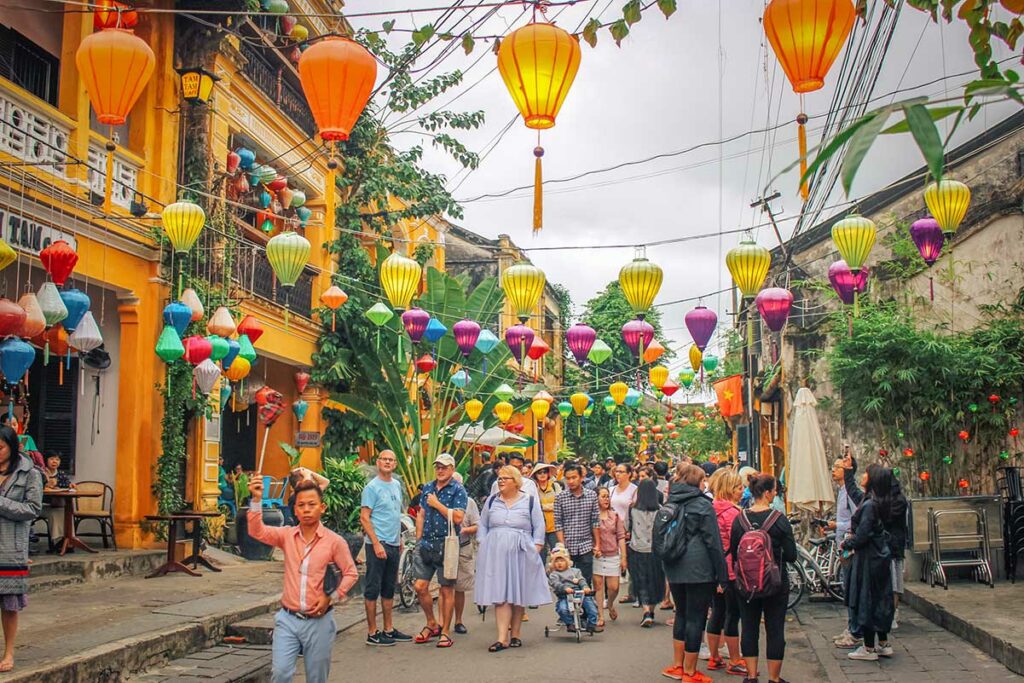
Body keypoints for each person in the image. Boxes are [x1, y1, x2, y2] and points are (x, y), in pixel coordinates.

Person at [246, 477, 358, 683]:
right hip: (287, 619)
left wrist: (330, 598)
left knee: (316, 678)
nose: (307, 509)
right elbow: (256, 531)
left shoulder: (334, 542)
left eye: (312, 504)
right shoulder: (287, 536)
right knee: (280, 673)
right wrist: (256, 499)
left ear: (322, 507)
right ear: (295, 510)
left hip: (319, 622)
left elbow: (351, 573)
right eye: (301, 505)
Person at [660, 464, 728, 683]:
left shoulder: (671, 502)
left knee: (681, 613)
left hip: (675, 565)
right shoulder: (702, 505)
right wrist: (721, 573)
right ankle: (690, 671)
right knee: (696, 617)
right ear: (698, 483)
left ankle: (678, 665)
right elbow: (713, 542)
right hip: (699, 568)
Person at [729, 475, 797, 683]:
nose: (776, 493)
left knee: (749, 627)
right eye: (774, 490)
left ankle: (751, 675)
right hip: (775, 583)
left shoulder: (740, 520)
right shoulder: (779, 520)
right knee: (775, 629)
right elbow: (792, 555)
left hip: (746, 584)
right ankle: (774, 678)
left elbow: (733, 552)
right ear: (767, 493)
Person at [474, 465, 549, 652]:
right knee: (501, 594)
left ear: (515, 482)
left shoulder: (529, 501)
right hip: (496, 552)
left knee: (517, 593)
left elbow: (539, 525)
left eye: (505, 478)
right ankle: (502, 638)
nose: (500, 481)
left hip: (521, 550)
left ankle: (515, 634)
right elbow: (483, 524)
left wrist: (536, 547)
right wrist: (483, 542)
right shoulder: (492, 501)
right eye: (499, 478)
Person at [412, 453, 467, 648]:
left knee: (446, 589)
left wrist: (437, 504)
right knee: (420, 586)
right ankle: (431, 622)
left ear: (452, 469)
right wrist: (418, 539)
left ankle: (445, 631)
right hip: (427, 543)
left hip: (448, 544)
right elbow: (422, 513)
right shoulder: (428, 487)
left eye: (444, 467)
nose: (440, 470)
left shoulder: (458, 490)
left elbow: (459, 518)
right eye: (438, 467)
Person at [0, 425, 43, 672]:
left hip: (10, 546)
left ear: (13, 448)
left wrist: (2, 503)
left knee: (9, 605)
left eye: (0, 448)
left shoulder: (29, 474)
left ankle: (9, 652)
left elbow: (32, 509)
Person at [844, 464, 896, 662]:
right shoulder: (879, 502)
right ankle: (883, 643)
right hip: (879, 556)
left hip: (868, 558)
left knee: (866, 600)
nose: (863, 476)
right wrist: (850, 470)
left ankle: (868, 647)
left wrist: (847, 542)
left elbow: (863, 535)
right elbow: (854, 492)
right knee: (879, 598)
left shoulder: (869, 505)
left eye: (866, 473)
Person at [359, 450, 410, 646]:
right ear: (378, 462)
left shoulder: (396, 484)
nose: (387, 462)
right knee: (373, 588)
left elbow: (395, 514)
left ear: (395, 464)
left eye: (391, 460)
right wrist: (376, 542)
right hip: (377, 544)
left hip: (394, 543)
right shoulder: (372, 488)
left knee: (389, 587)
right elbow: (365, 517)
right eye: (384, 459)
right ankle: (372, 632)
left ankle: (388, 629)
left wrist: (399, 539)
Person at [704, 468, 747, 677]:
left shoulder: (710, 509)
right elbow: (738, 543)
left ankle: (714, 656)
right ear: (730, 489)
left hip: (713, 570)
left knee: (717, 612)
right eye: (739, 487)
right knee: (732, 614)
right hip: (730, 570)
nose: (742, 491)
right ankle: (735, 659)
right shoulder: (733, 513)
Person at [832, 448, 865, 649]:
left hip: (851, 547)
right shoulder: (842, 492)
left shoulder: (852, 494)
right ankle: (851, 627)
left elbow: (856, 520)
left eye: (838, 467)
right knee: (848, 588)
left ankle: (855, 631)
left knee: (852, 590)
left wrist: (837, 526)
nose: (834, 471)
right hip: (843, 545)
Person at [554, 462, 600, 585]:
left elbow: (595, 521)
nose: (571, 481)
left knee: (585, 581)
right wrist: (562, 547)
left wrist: (597, 544)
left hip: (586, 545)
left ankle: (584, 604)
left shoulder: (591, 495)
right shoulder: (560, 497)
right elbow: (558, 523)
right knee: (567, 582)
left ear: (581, 478)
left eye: (574, 477)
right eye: (568, 478)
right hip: (568, 546)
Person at [627, 478, 664, 628]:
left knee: (641, 580)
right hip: (656, 551)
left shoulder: (632, 509)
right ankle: (652, 610)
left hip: (637, 549)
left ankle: (646, 611)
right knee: (656, 580)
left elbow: (627, 527)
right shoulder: (661, 510)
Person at [547, 544, 600, 632]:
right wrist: (564, 588)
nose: (559, 563)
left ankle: (592, 624)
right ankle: (570, 623)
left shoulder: (575, 571)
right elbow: (555, 584)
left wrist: (585, 587)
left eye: (562, 560)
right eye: (556, 561)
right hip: (565, 595)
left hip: (579, 594)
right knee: (562, 609)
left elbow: (581, 580)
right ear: (553, 564)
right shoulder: (554, 574)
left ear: (567, 561)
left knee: (592, 607)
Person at [593, 487, 626, 627]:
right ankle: (600, 615)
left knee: (614, 587)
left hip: (613, 554)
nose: (606, 499)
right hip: (597, 555)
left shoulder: (615, 515)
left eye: (607, 496)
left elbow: (621, 537)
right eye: (603, 496)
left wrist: (624, 557)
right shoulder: (592, 516)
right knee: (598, 586)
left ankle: (610, 604)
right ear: (596, 499)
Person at [452, 472, 479, 635]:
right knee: (445, 586)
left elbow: (478, 525)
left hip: (463, 545)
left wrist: (464, 530)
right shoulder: (441, 499)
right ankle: (442, 622)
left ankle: (458, 620)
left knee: (460, 587)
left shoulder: (469, 503)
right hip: (445, 547)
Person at [531, 463, 561, 562]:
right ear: (535, 475)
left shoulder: (555, 486)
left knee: (557, 553)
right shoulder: (533, 488)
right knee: (540, 556)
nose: (542, 474)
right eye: (539, 472)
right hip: (539, 527)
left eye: (545, 472)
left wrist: (542, 507)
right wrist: (549, 506)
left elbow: (559, 504)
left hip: (554, 526)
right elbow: (532, 506)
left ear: (548, 473)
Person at [889, 478, 908, 630]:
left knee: (894, 583)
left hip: (894, 547)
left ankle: (893, 613)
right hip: (889, 546)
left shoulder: (899, 501)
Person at [41, 451, 72, 543]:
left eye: (57, 459)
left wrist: (67, 485)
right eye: (51, 459)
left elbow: (67, 484)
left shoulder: (61, 474)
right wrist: (46, 484)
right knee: (55, 513)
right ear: (45, 460)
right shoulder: (41, 473)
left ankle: (69, 540)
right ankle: (58, 541)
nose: (54, 461)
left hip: (58, 504)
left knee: (67, 513)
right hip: (43, 505)